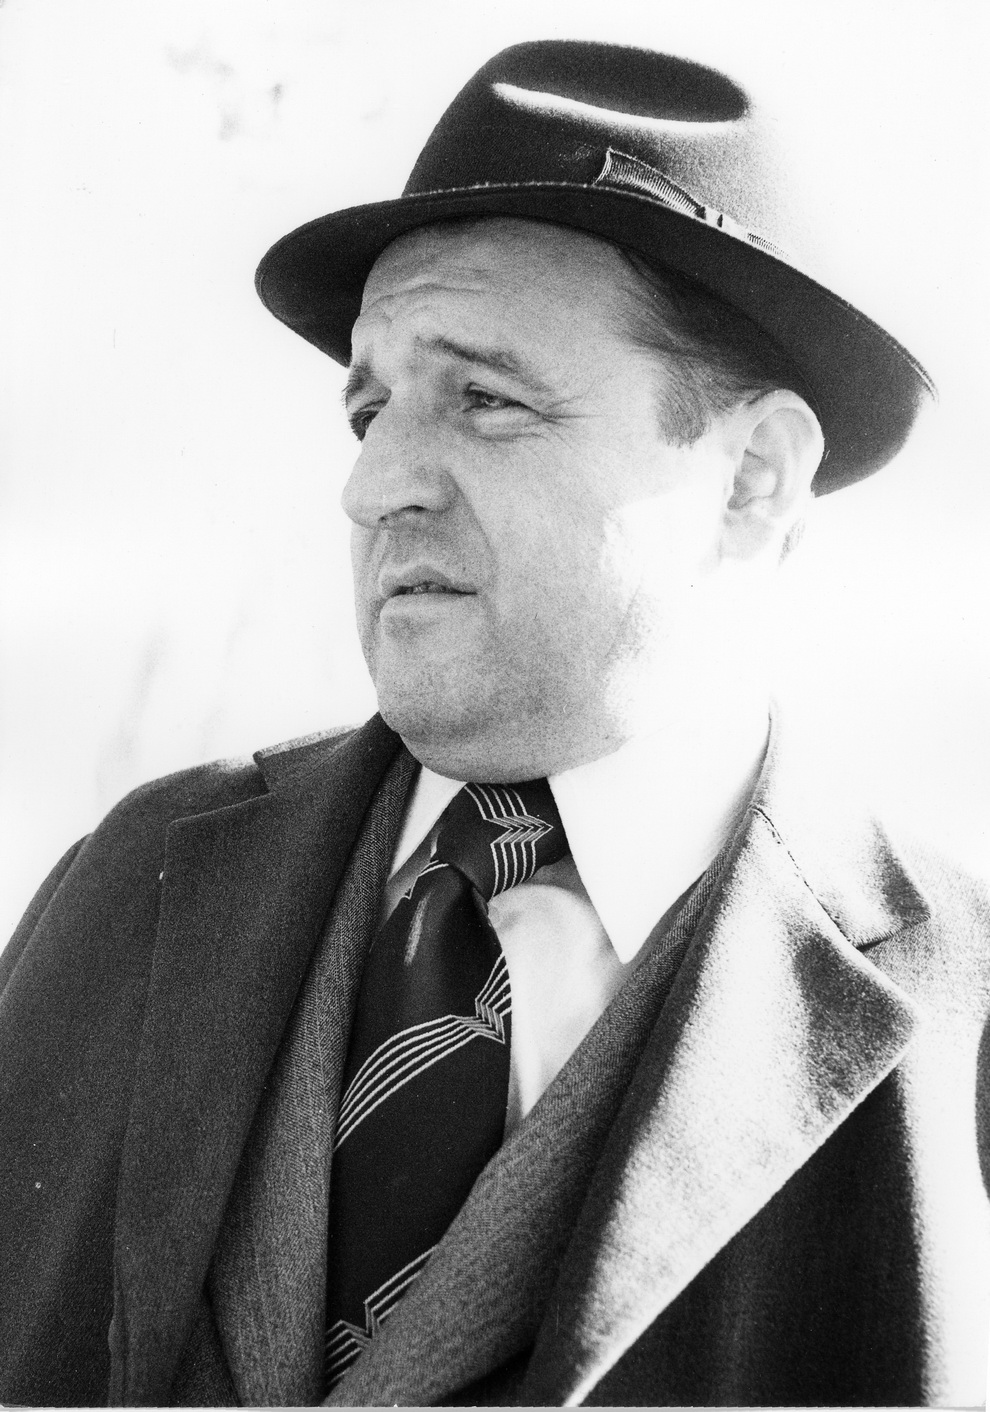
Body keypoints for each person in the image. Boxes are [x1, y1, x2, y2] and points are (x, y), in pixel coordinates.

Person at [1, 37, 988, 1410]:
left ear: (754, 478)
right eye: (369, 410)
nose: (375, 486)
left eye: (486, 400)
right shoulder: (138, 875)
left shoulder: (962, 1022)